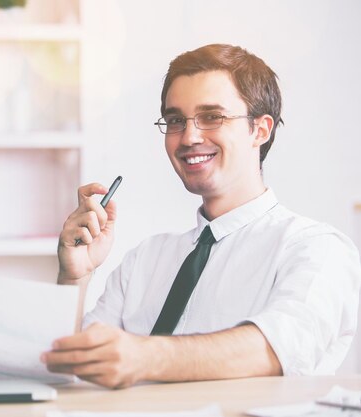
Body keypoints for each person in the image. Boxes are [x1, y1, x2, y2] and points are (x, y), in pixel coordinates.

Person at [42, 44, 361, 388]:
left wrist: (143, 356)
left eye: (212, 116)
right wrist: (75, 276)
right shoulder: (145, 260)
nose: (190, 136)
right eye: (176, 120)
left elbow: (275, 350)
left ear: (260, 130)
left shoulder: (317, 249)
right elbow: (68, 371)